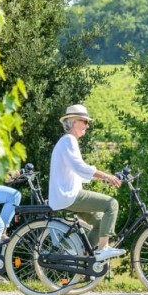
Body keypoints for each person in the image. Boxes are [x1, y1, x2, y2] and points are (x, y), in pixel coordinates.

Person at [49, 104, 125, 262]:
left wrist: (104, 178)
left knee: (99, 222)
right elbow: (80, 167)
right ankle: (103, 248)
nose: (87, 125)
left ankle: (83, 257)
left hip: (67, 195)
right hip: (69, 195)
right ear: (73, 122)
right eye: (84, 121)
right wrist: (107, 176)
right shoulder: (68, 140)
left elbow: (80, 173)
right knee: (112, 204)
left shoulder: (68, 141)